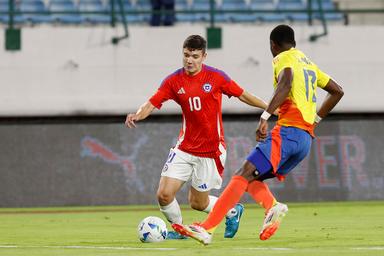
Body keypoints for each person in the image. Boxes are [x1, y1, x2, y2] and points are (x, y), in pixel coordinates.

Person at [172, 24, 344, 245]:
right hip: (304, 140)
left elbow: (286, 81)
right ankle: (272, 206)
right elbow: (337, 91)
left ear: (273, 45)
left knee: (242, 173)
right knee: (250, 177)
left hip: (288, 133)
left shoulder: (283, 58)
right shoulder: (308, 62)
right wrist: (315, 120)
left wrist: (265, 116)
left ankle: (207, 228)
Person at [125, 35, 271, 240]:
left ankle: (232, 211)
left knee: (198, 203)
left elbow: (243, 95)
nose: (189, 60)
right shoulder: (174, 81)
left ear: (204, 56)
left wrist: (268, 107)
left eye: (194, 56)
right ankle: (180, 229)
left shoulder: (216, 77)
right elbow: (152, 102)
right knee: (164, 195)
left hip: (211, 151)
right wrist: (137, 114)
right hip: (184, 148)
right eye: (186, 55)